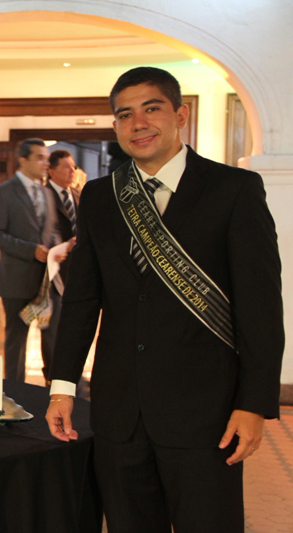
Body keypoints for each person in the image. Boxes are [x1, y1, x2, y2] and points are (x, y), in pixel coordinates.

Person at [45, 67, 284, 532]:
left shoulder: (233, 190)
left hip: (206, 412)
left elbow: (260, 308)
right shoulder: (100, 196)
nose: (138, 123)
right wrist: (62, 386)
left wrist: (254, 403)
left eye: (151, 108)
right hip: (119, 410)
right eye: (124, 114)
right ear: (115, 127)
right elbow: (82, 300)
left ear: (180, 114)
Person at [0, 138, 57, 383]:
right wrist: (30, 250)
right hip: (16, 280)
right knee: (17, 336)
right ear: (23, 160)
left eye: (47, 158)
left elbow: (49, 231)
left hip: (46, 282)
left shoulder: (47, 193)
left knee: (52, 334)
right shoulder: (4, 192)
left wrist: (60, 246)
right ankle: (15, 390)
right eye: (39, 157)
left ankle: (54, 385)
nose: (45, 163)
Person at [40, 150, 79, 384]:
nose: (72, 171)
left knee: (72, 322)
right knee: (52, 325)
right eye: (67, 167)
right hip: (52, 268)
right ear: (52, 171)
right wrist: (62, 245)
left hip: (76, 268)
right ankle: (51, 374)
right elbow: (42, 230)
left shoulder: (77, 193)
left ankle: (69, 372)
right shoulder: (43, 196)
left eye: (73, 167)